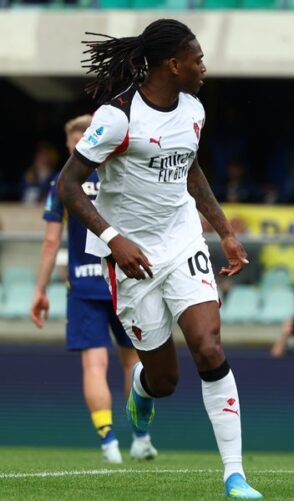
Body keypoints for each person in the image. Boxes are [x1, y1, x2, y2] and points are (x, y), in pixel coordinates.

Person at [56, 19, 261, 499]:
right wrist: (113, 239)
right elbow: (67, 185)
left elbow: (191, 169)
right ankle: (142, 389)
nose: (204, 68)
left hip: (184, 241)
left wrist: (225, 232)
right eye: (198, 60)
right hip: (133, 259)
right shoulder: (118, 117)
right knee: (165, 379)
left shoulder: (193, 109)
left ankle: (235, 474)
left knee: (208, 347)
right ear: (173, 64)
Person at [30, 114, 156, 464]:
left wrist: (40, 290)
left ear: (72, 145)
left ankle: (108, 441)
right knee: (133, 360)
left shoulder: (62, 182)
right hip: (122, 279)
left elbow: (50, 243)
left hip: (83, 284)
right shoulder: (121, 174)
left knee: (94, 365)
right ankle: (141, 437)